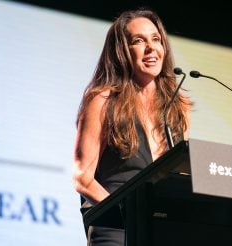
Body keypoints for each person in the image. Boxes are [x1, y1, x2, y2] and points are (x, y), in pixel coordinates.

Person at [72, 8, 192, 246]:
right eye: (139, 41)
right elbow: (82, 178)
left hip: (161, 230)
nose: (151, 48)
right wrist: (128, 214)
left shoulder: (179, 105)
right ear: (122, 52)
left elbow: (183, 174)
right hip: (116, 229)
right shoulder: (103, 100)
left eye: (155, 39)